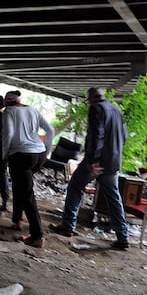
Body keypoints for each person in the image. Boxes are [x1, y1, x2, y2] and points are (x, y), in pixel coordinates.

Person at [49, 87, 130, 250]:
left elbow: (96, 135)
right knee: (114, 197)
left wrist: (93, 160)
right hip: (113, 161)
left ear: (91, 98)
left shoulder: (96, 108)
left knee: (75, 186)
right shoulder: (115, 109)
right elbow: (124, 137)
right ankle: (123, 236)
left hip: (97, 161)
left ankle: (68, 225)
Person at [1, 90, 54, 248]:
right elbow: (50, 130)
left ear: (7, 101)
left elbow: (8, 134)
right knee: (20, 187)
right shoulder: (33, 109)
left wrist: (5, 155)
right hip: (38, 154)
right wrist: (47, 150)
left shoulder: (9, 111)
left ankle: (37, 236)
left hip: (21, 155)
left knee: (27, 194)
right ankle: (17, 219)